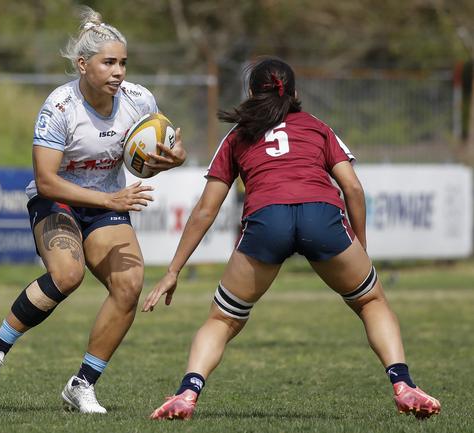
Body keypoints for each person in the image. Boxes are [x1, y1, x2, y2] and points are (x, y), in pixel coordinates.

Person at [142, 57, 441, 420]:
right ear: (296, 93)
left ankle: (187, 393)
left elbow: (206, 209)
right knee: (370, 301)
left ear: (251, 93)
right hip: (321, 216)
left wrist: (174, 270)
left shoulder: (238, 135)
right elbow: (353, 188)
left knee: (223, 319)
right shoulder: (316, 126)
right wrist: (359, 246)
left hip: (268, 220)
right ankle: (403, 383)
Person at [0, 6, 185, 414]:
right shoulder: (59, 107)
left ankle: (82, 384)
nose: (118, 71)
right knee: (68, 275)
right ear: (83, 66)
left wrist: (173, 156)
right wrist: (110, 200)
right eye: (108, 62)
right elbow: (47, 180)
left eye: (123, 62)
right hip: (58, 200)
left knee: (129, 283)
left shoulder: (139, 100)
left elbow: (170, 146)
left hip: (105, 204)